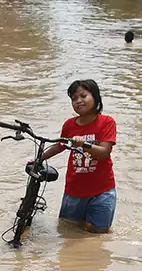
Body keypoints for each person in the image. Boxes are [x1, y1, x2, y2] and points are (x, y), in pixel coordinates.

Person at [40, 79, 117, 234]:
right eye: (74, 99)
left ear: (95, 97)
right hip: (74, 191)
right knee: (68, 230)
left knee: (99, 233)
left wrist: (84, 144)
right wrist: (40, 158)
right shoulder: (69, 125)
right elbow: (60, 145)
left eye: (83, 96)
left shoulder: (107, 122)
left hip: (102, 191)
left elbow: (104, 152)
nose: (79, 101)